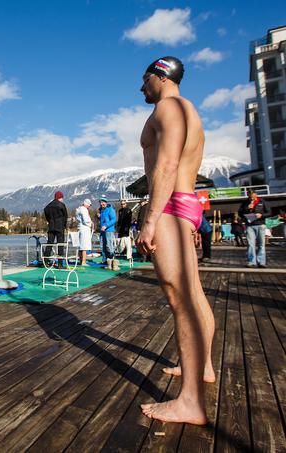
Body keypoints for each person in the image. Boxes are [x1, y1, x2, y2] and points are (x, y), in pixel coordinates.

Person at [136, 56, 215, 425]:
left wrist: (150, 220)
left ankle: (190, 402)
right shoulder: (190, 111)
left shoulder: (167, 109)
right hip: (185, 203)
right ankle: (204, 367)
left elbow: (165, 166)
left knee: (179, 299)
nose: (141, 88)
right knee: (194, 294)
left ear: (159, 75)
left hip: (168, 206)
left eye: (144, 80)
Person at [238, 189, 267, 268]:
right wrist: (247, 209)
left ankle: (261, 262)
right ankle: (251, 261)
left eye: (253, 197)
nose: (252, 198)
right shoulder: (245, 203)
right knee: (251, 244)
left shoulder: (262, 201)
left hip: (260, 225)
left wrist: (261, 215)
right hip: (250, 225)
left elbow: (269, 212)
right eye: (250, 197)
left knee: (261, 244)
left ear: (256, 195)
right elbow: (240, 213)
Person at [43, 191, 68, 263]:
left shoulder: (48, 206)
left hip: (51, 227)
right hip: (60, 227)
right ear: (60, 197)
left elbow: (46, 213)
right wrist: (64, 225)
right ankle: (60, 263)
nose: (62, 199)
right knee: (60, 244)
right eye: (62, 198)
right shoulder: (61, 205)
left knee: (49, 243)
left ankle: (45, 261)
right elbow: (65, 216)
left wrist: (49, 220)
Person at [98, 196, 118, 270]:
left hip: (109, 230)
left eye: (103, 202)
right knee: (103, 246)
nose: (102, 204)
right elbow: (102, 220)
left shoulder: (110, 210)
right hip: (102, 230)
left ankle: (112, 261)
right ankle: (105, 261)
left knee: (109, 246)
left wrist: (106, 225)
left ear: (106, 203)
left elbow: (114, 220)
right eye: (101, 202)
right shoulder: (101, 210)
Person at [75, 199, 93, 266]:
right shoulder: (84, 210)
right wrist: (90, 223)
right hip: (84, 229)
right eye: (89, 205)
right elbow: (86, 220)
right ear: (86, 204)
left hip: (80, 228)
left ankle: (80, 261)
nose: (89, 207)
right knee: (84, 246)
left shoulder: (78, 209)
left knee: (80, 246)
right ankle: (83, 262)